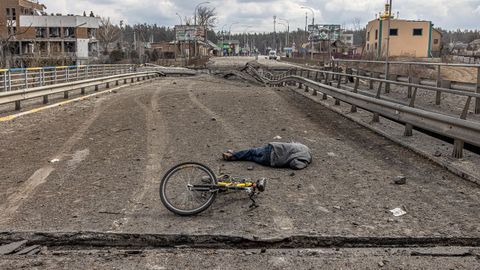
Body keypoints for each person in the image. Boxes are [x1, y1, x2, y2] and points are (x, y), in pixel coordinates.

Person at [223, 142, 312, 170]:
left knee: (250, 151)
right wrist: (305, 164)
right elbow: (295, 165)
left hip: (271, 148)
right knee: (252, 158)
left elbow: (289, 144)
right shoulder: (306, 158)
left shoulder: (302, 146)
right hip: (270, 161)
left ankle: (233, 154)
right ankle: (233, 156)